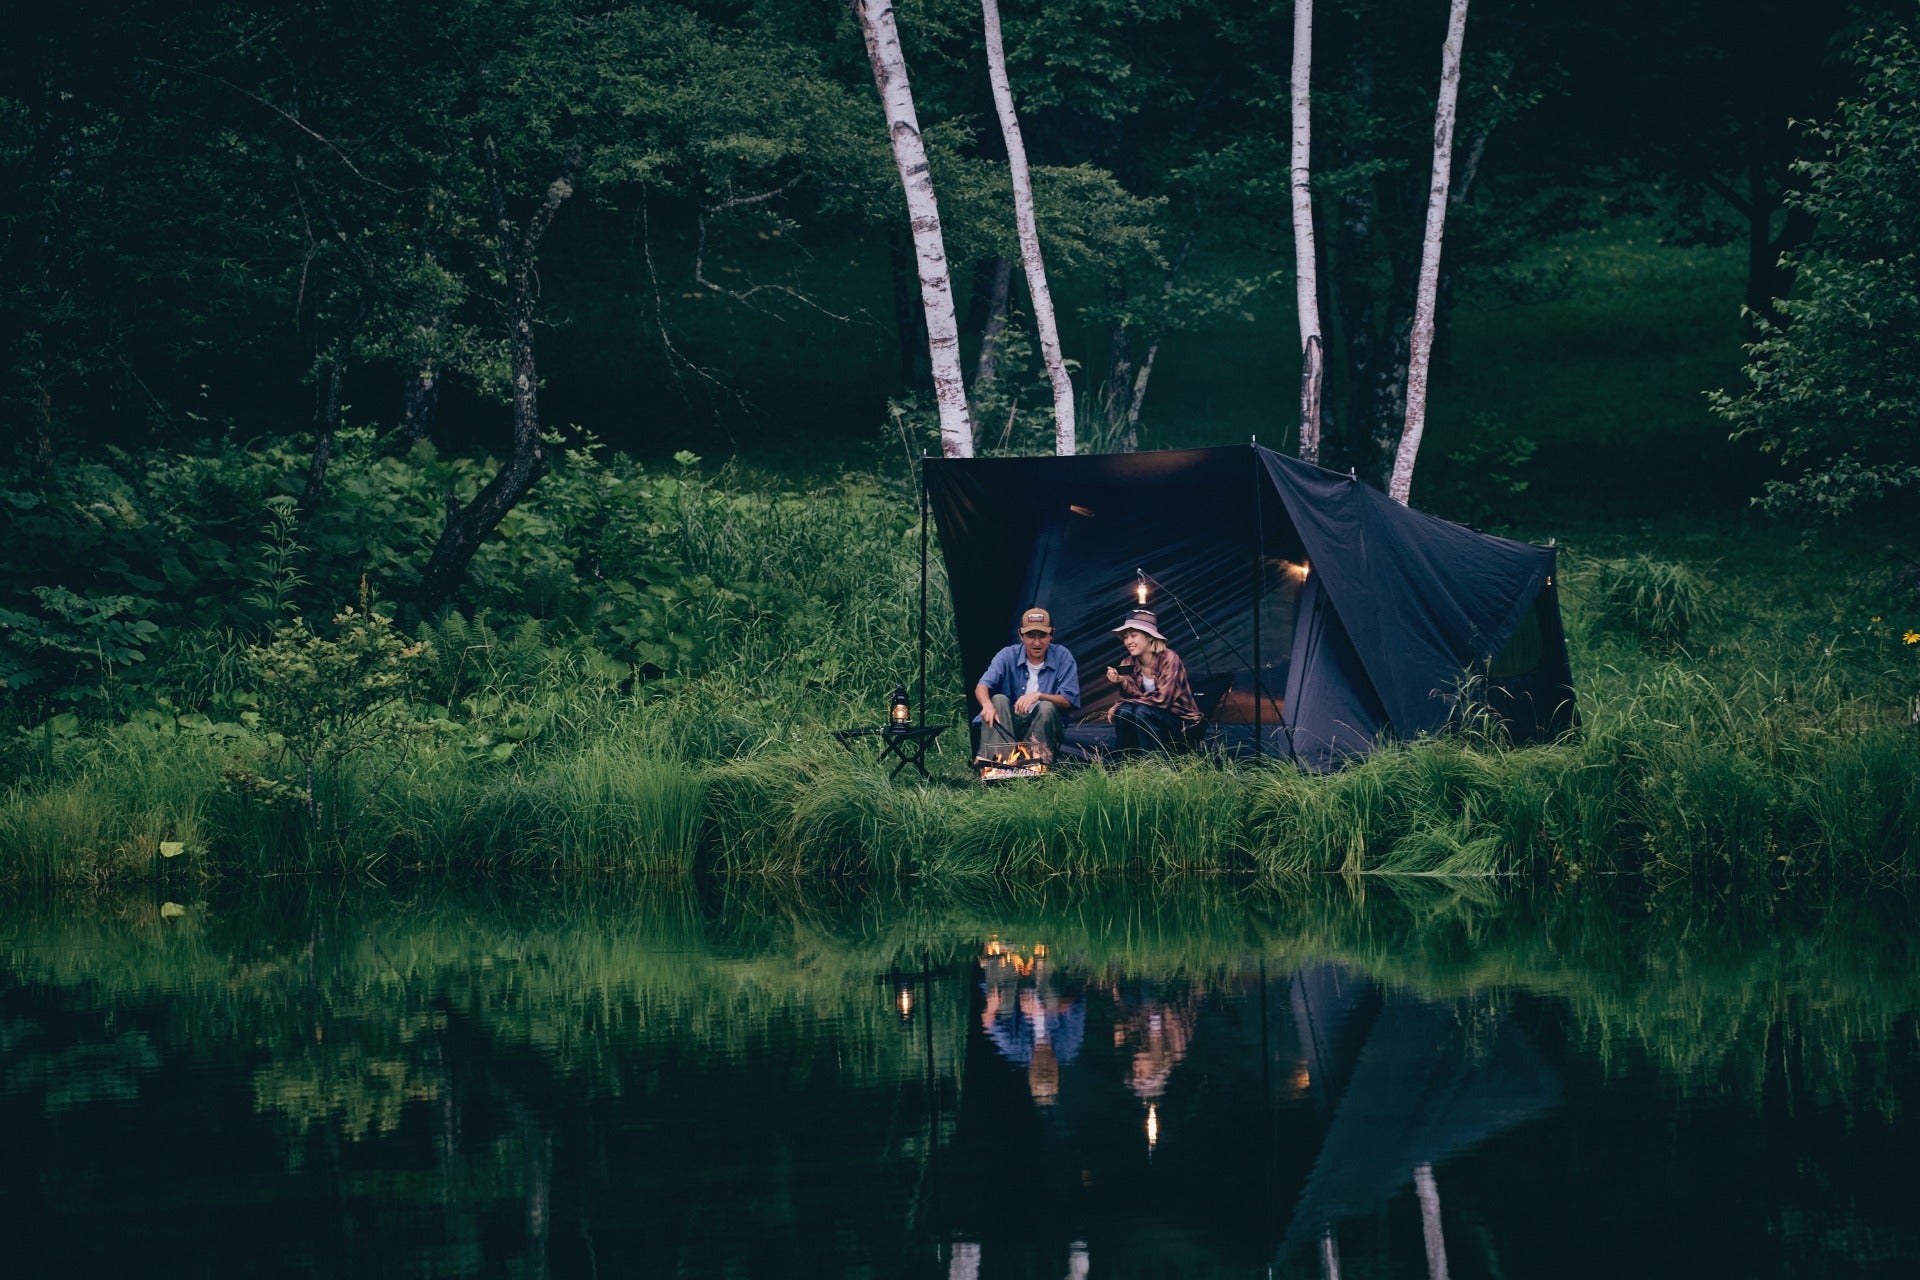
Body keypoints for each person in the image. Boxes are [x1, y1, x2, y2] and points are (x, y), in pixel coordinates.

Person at [974, 606, 1080, 764]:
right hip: (1009, 725)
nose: (1037, 642)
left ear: (1051, 634)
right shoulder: (1007, 654)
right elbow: (982, 686)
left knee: (1046, 707)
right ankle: (998, 763)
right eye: (1030, 636)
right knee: (998, 699)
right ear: (1021, 635)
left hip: (1043, 725)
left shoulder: (1063, 656)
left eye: (1042, 635)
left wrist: (1039, 695)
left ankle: (1032, 763)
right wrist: (986, 704)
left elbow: (1068, 700)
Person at [1103, 608, 1203, 754]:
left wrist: (1119, 704)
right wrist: (1121, 682)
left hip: (1180, 723)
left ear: (1150, 637)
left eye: (1133, 636)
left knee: (1142, 711)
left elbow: (1162, 700)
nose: (1128, 641)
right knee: (1124, 712)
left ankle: (1155, 764)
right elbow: (1130, 697)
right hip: (1148, 718)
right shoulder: (1127, 662)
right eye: (1125, 637)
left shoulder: (1169, 658)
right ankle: (1125, 763)